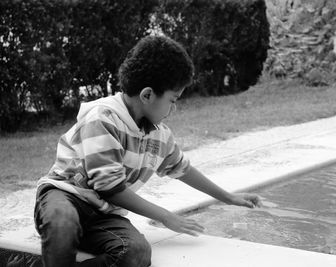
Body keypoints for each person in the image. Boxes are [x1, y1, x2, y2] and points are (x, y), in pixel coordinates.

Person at [34, 35, 261, 267]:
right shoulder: (102, 119)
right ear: (147, 95)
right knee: (63, 221)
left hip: (102, 216)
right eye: (173, 100)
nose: (174, 108)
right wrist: (165, 216)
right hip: (65, 198)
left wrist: (229, 197)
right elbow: (110, 188)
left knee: (136, 253)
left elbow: (183, 169)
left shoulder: (159, 136)